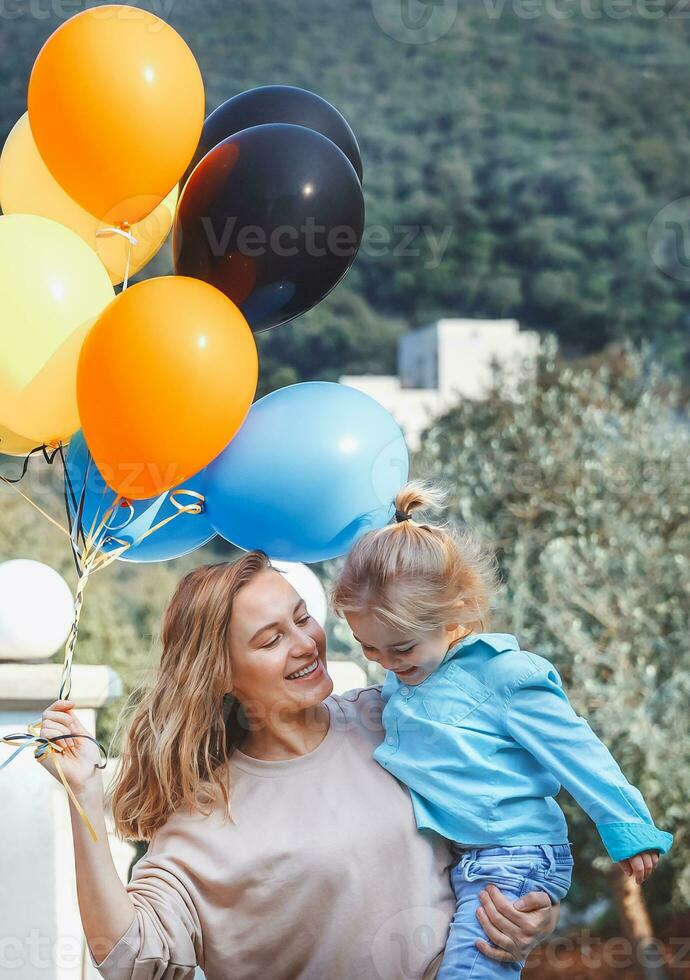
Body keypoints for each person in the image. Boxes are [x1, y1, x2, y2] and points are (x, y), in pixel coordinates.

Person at [37, 552, 560, 980]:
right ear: (220, 674)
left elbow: (501, 838)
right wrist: (82, 793)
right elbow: (130, 959)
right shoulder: (201, 816)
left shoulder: (399, 722)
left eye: (302, 617)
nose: (306, 643)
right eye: (270, 639)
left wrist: (530, 914)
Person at [331, 482, 673, 980]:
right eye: (369, 649)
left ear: (457, 613)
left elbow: (579, 752)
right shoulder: (406, 677)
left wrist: (628, 827)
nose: (385, 662)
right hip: (469, 856)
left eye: (399, 649)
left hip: (516, 853)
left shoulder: (505, 675)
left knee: (471, 972)